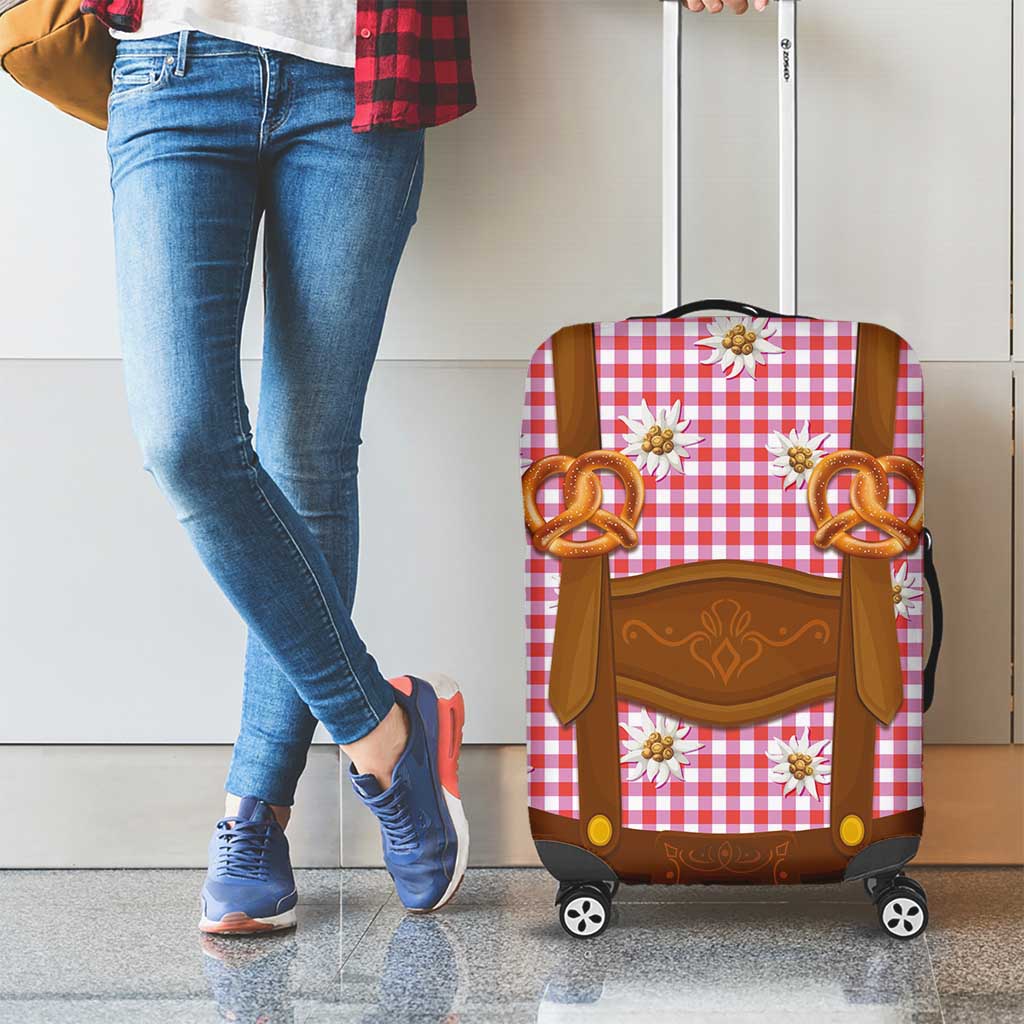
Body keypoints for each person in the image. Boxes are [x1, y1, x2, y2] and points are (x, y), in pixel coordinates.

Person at [82, 0, 474, 932]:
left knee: (309, 456)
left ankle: (255, 813)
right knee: (184, 440)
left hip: (359, 79)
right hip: (174, 67)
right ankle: (386, 732)